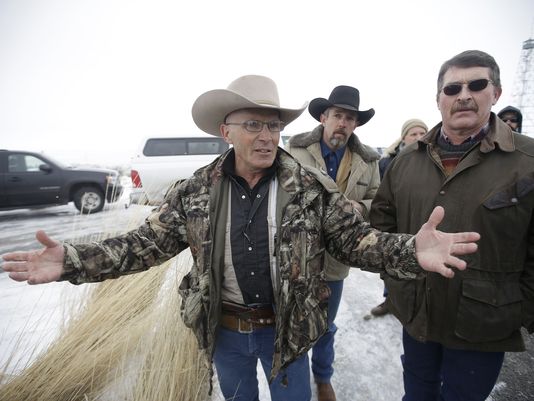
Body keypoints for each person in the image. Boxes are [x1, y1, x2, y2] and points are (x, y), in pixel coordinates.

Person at [1, 75, 481, 401]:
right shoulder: (194, 192)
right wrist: (72, 261)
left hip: (287, 333)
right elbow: (140, 246)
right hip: (225, 332)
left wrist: (409, 251)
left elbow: (359, 242)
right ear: (224, 130)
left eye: (273, 125)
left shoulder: (310, 189)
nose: (267, 135)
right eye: (253, 124)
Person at [370, 50, 534, 401]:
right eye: (452, 88)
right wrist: (398, 280)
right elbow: (381, 225)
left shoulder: (528, 163)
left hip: (482, 327)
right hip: (417, 319)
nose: (463, 95)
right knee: (417, 394)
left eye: (476, 84)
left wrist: (519, 308)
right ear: (438, 98)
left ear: (497, 93)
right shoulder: (405, 162)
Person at [285, 85, 380, 401]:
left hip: (336, 262)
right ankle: (292, 379)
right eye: (338, 115)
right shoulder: (294, 151)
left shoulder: (367, 161)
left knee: (325, 326)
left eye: (350, 118)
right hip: (295, 256)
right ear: (324, 117)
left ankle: (322, 378)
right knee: (293, 321)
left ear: (356, 124)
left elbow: (377, 200)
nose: (343, 123)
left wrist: (360, 208)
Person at [370, 118, 428, 317]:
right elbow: (381, 195)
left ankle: (419, 304)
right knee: (394, 263)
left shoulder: (432, 159)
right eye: (414, 133)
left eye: (423, 133)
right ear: (404, 137)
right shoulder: (388, 161)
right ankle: (390, 300)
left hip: (421, 221)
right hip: (397, 222)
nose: (419, 137)